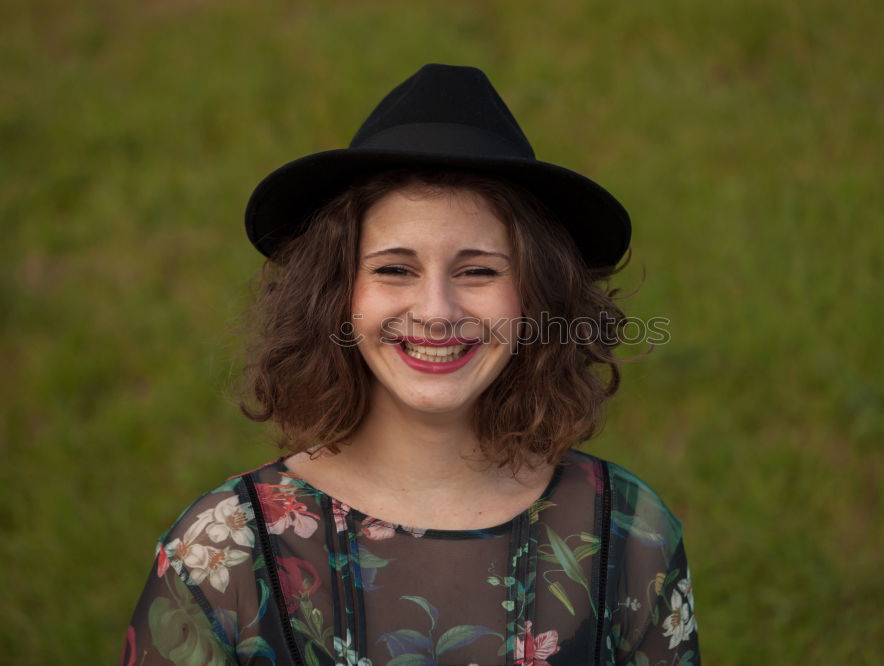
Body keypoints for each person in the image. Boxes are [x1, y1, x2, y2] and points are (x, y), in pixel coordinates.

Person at [122, 63, 699, 666]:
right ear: (335, 295)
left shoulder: (630, 532)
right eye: (394, 269)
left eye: (479, 271)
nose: (436, 312)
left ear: (536, 298)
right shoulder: (225, 549)